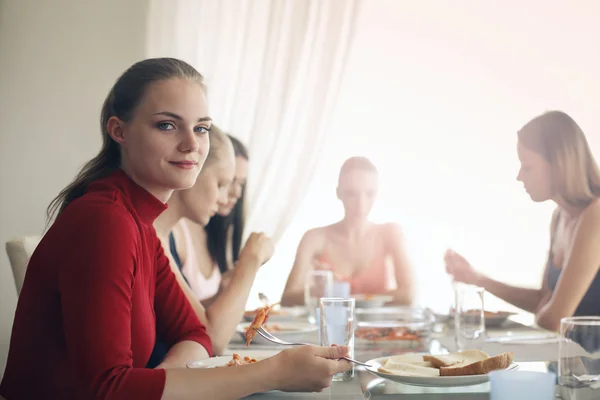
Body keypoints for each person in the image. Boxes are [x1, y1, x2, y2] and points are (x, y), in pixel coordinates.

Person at [0, 57, 350, 400]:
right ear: (118, 131)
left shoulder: (140, 224)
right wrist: (273, 372)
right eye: (167, 125)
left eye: (201, 128)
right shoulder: (105, 221)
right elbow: (107, 389)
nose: (192, 144)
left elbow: (197, 334)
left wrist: (160, 384)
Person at [445, 110, 600, 332]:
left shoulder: (596, 214)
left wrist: (545, 312)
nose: (520, 176)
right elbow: (545, 300)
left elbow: (554, 319)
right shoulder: (560, 217)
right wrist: (477, 279)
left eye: (527, 166)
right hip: (573, 359)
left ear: (559, 164)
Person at [152, 126, 271, 356]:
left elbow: (187, 320)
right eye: (222, 184)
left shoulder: (164, 234)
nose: (229, 196)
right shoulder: (157, 235)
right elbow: (211, 339)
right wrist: (251, 260)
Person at [281, 156, 415, 306]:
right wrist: (314, 291)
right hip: (329, 326)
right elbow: (286, 299)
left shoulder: (391, 233)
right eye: (352, 194)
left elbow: (409, 296)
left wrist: (346, 298)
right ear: (339, 193)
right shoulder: (315, 238)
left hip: (381, 328)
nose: (361, 204)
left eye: (369, 194)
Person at [179, 134, 250, 305]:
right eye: (225, 183)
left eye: (241, 183)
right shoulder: (176, 232)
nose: (236, 194)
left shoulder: (215, 229)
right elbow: (178, 320)